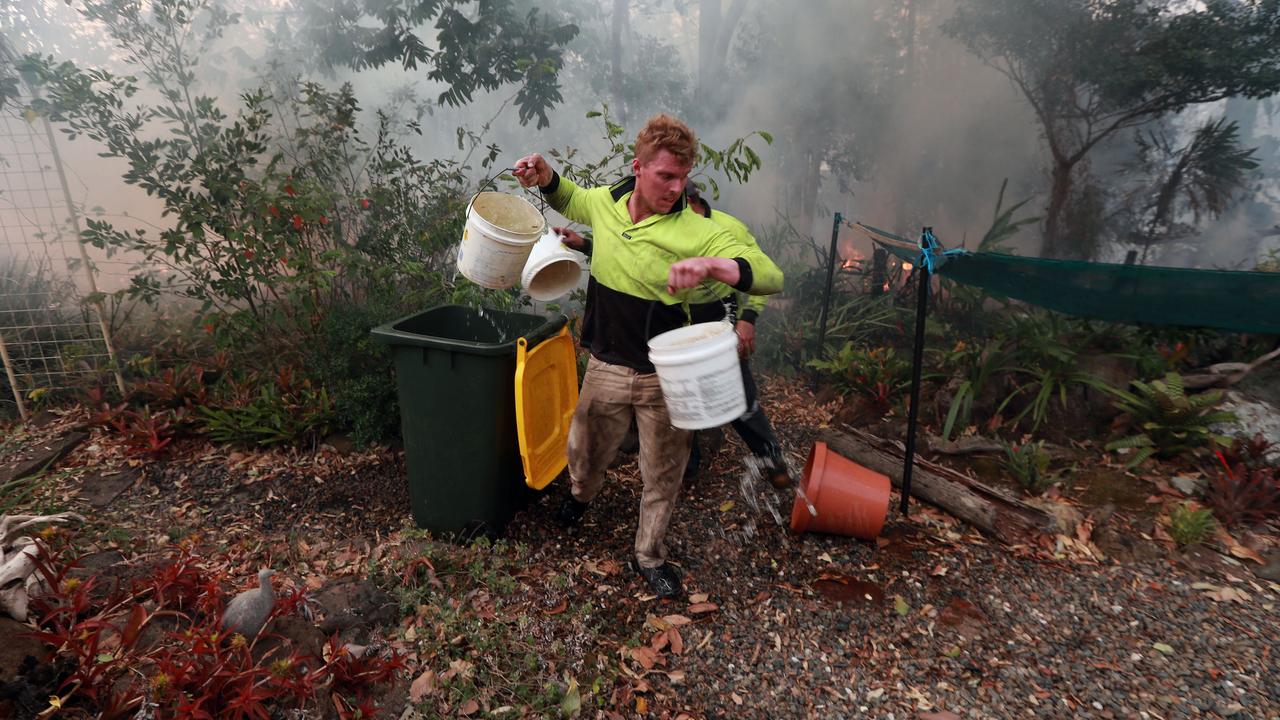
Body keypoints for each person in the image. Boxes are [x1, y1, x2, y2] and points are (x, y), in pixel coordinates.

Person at [512, 113, 783, 600]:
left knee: (663, 473)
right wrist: (546, 176)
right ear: (637, 168)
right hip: (607, 364)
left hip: (667, 377)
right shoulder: (606, 204)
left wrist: (715, 265)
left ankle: (649, 555)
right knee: (586, 454)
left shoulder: (699, 229)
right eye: (666, 176)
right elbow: (571, 197)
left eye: (683, 178)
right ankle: (580, 496)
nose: (677, 188)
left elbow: (768, 274)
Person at [679, 180, 791, 489]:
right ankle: (688, 465)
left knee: (739, 393)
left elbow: (760, 270)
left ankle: (771, 459)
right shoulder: (663, 228)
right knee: (679, 395)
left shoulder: (727, 227)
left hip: (719, 317)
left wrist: (748, 319)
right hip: (676, 321)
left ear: (690, 200)